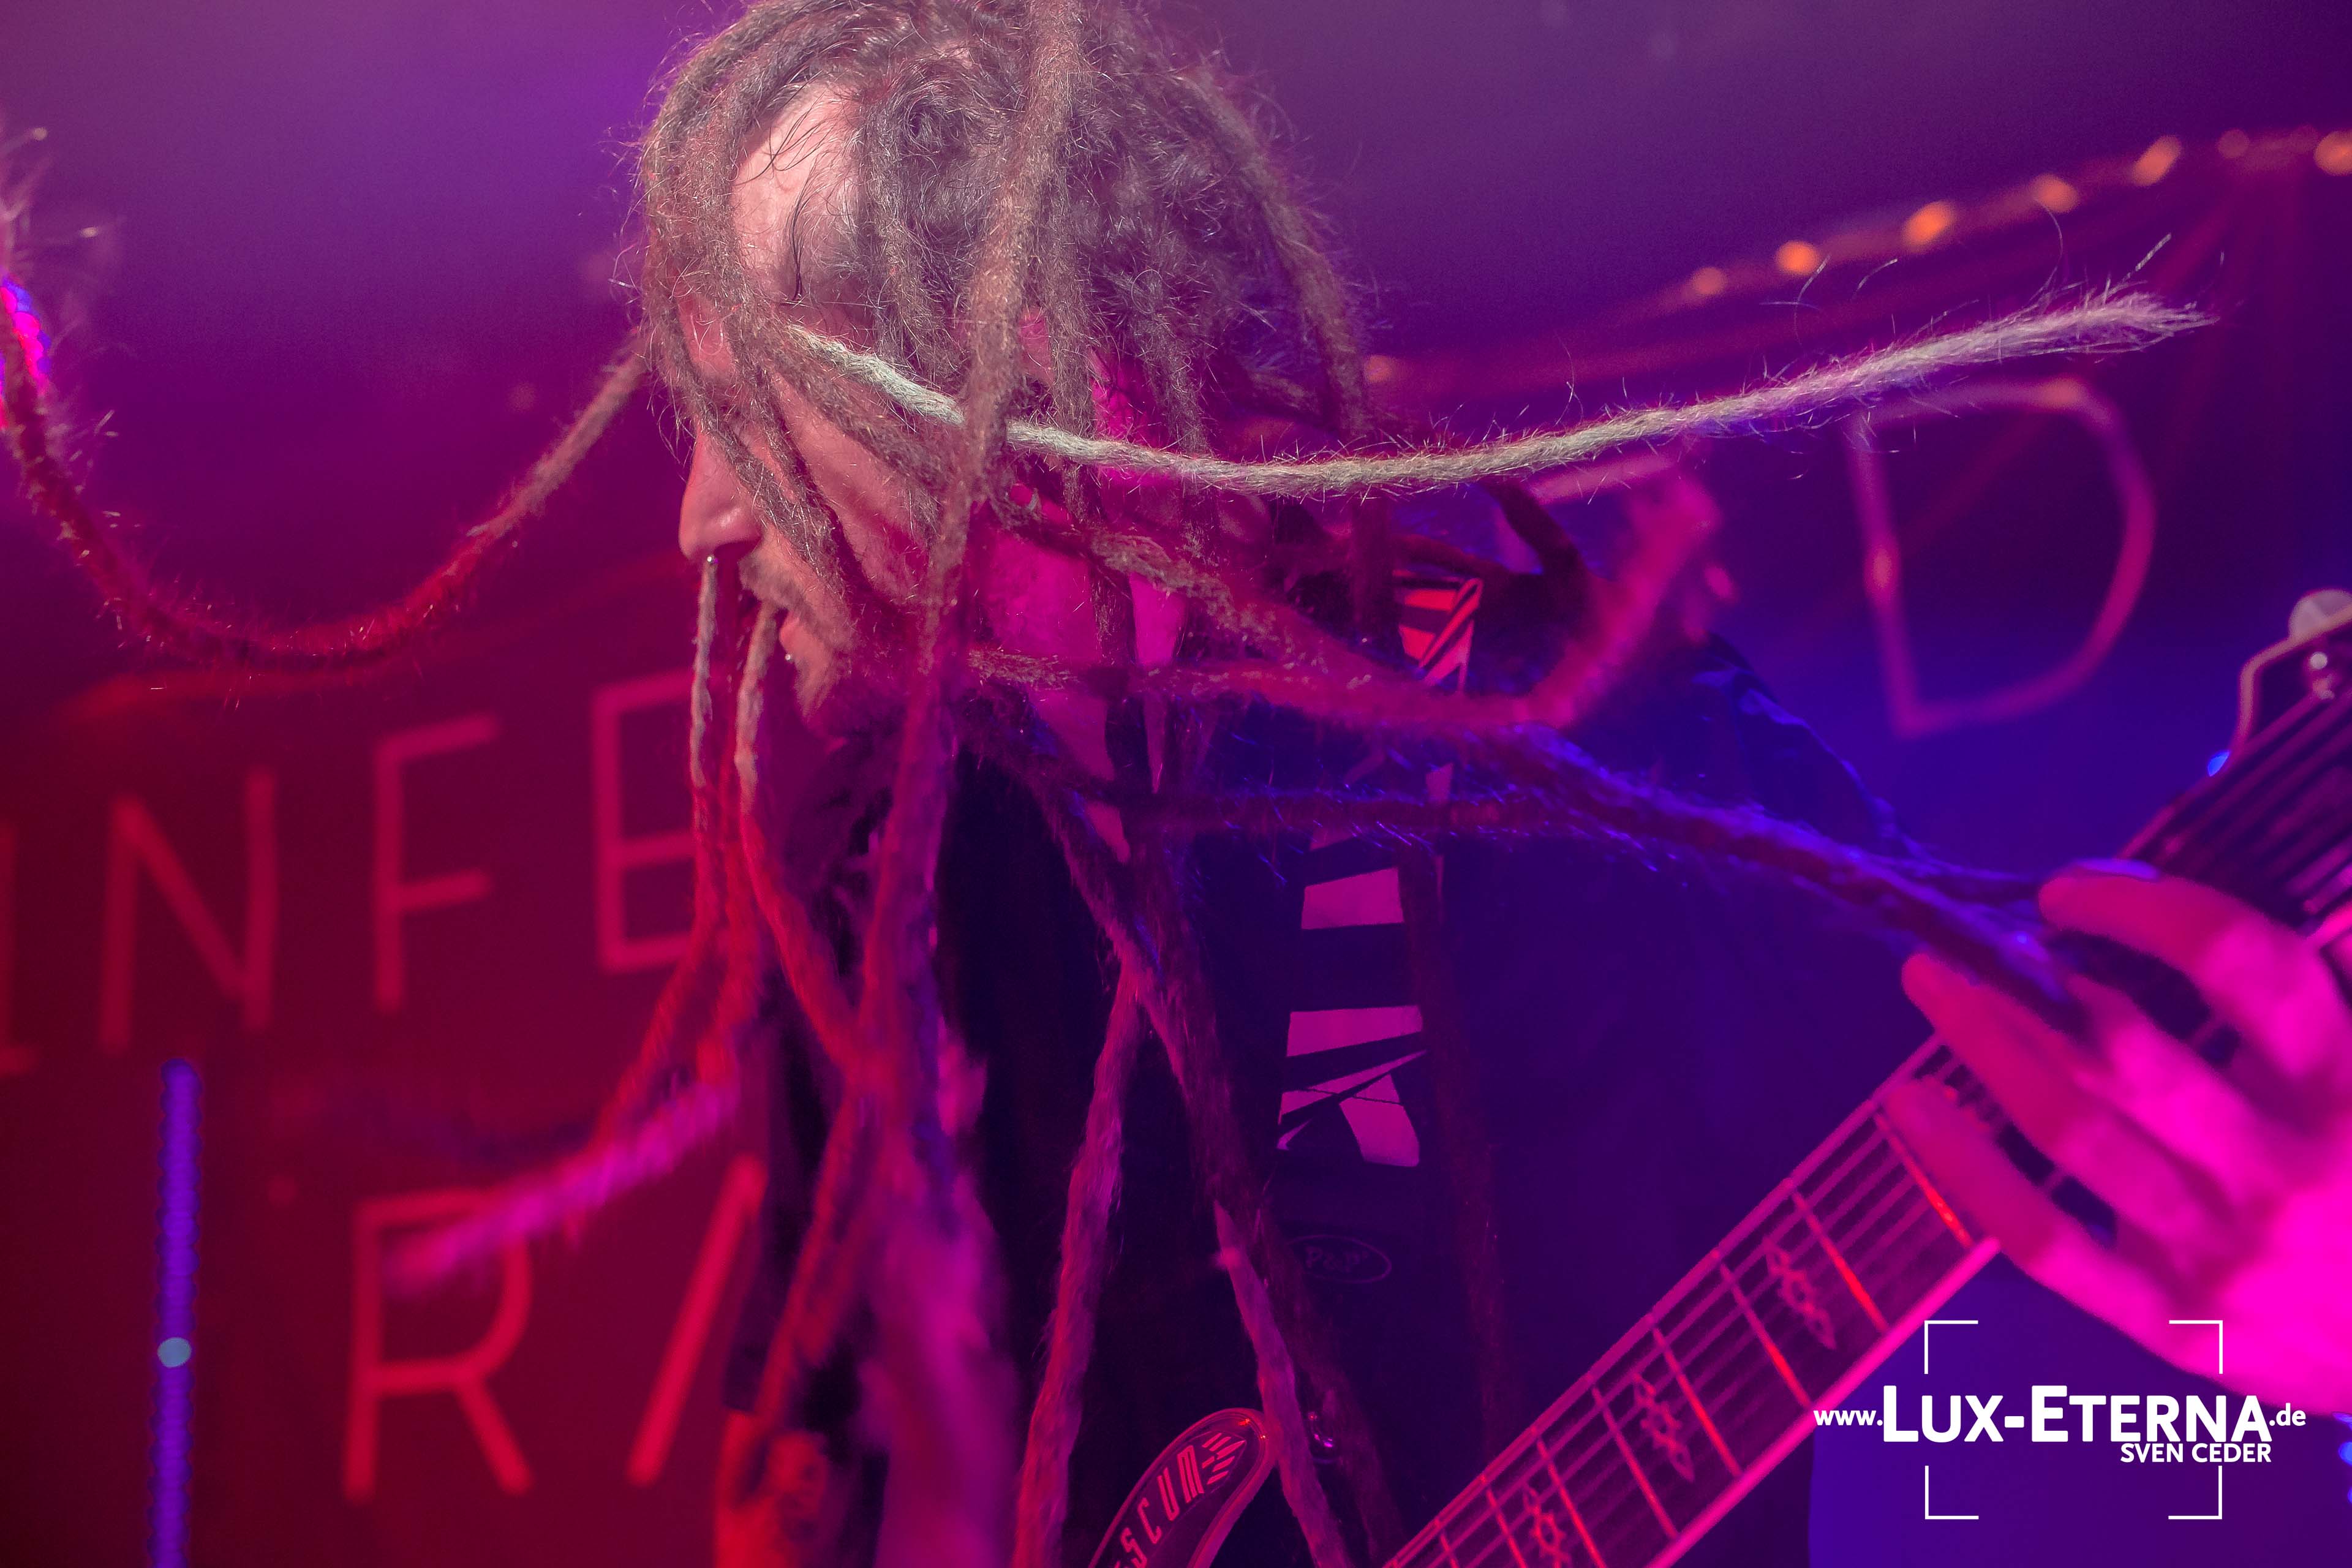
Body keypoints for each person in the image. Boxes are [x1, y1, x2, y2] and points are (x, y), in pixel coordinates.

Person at [3, 2, 2343, 1566]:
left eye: (744, 419)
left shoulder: (1563, 749)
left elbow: (2081, 1328)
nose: (703, 518)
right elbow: (829, 1469)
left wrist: (2306, 1311)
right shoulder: (894, 868)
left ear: (1002, 376)